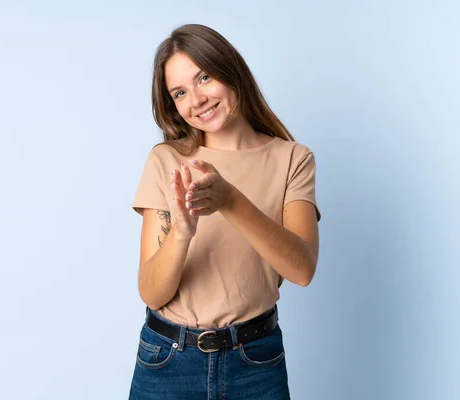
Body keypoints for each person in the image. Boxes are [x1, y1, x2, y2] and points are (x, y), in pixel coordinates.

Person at [129, 23, 320, 400]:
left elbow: (302, 269)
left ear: (231, 70)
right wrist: (182, 232)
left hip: (255, 361)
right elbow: (152, 292)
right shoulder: (166, 160)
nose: (196, 99)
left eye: (204, 77)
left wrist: (230, 201)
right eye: (180, 92)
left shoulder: (292, 159)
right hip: (168, 359)